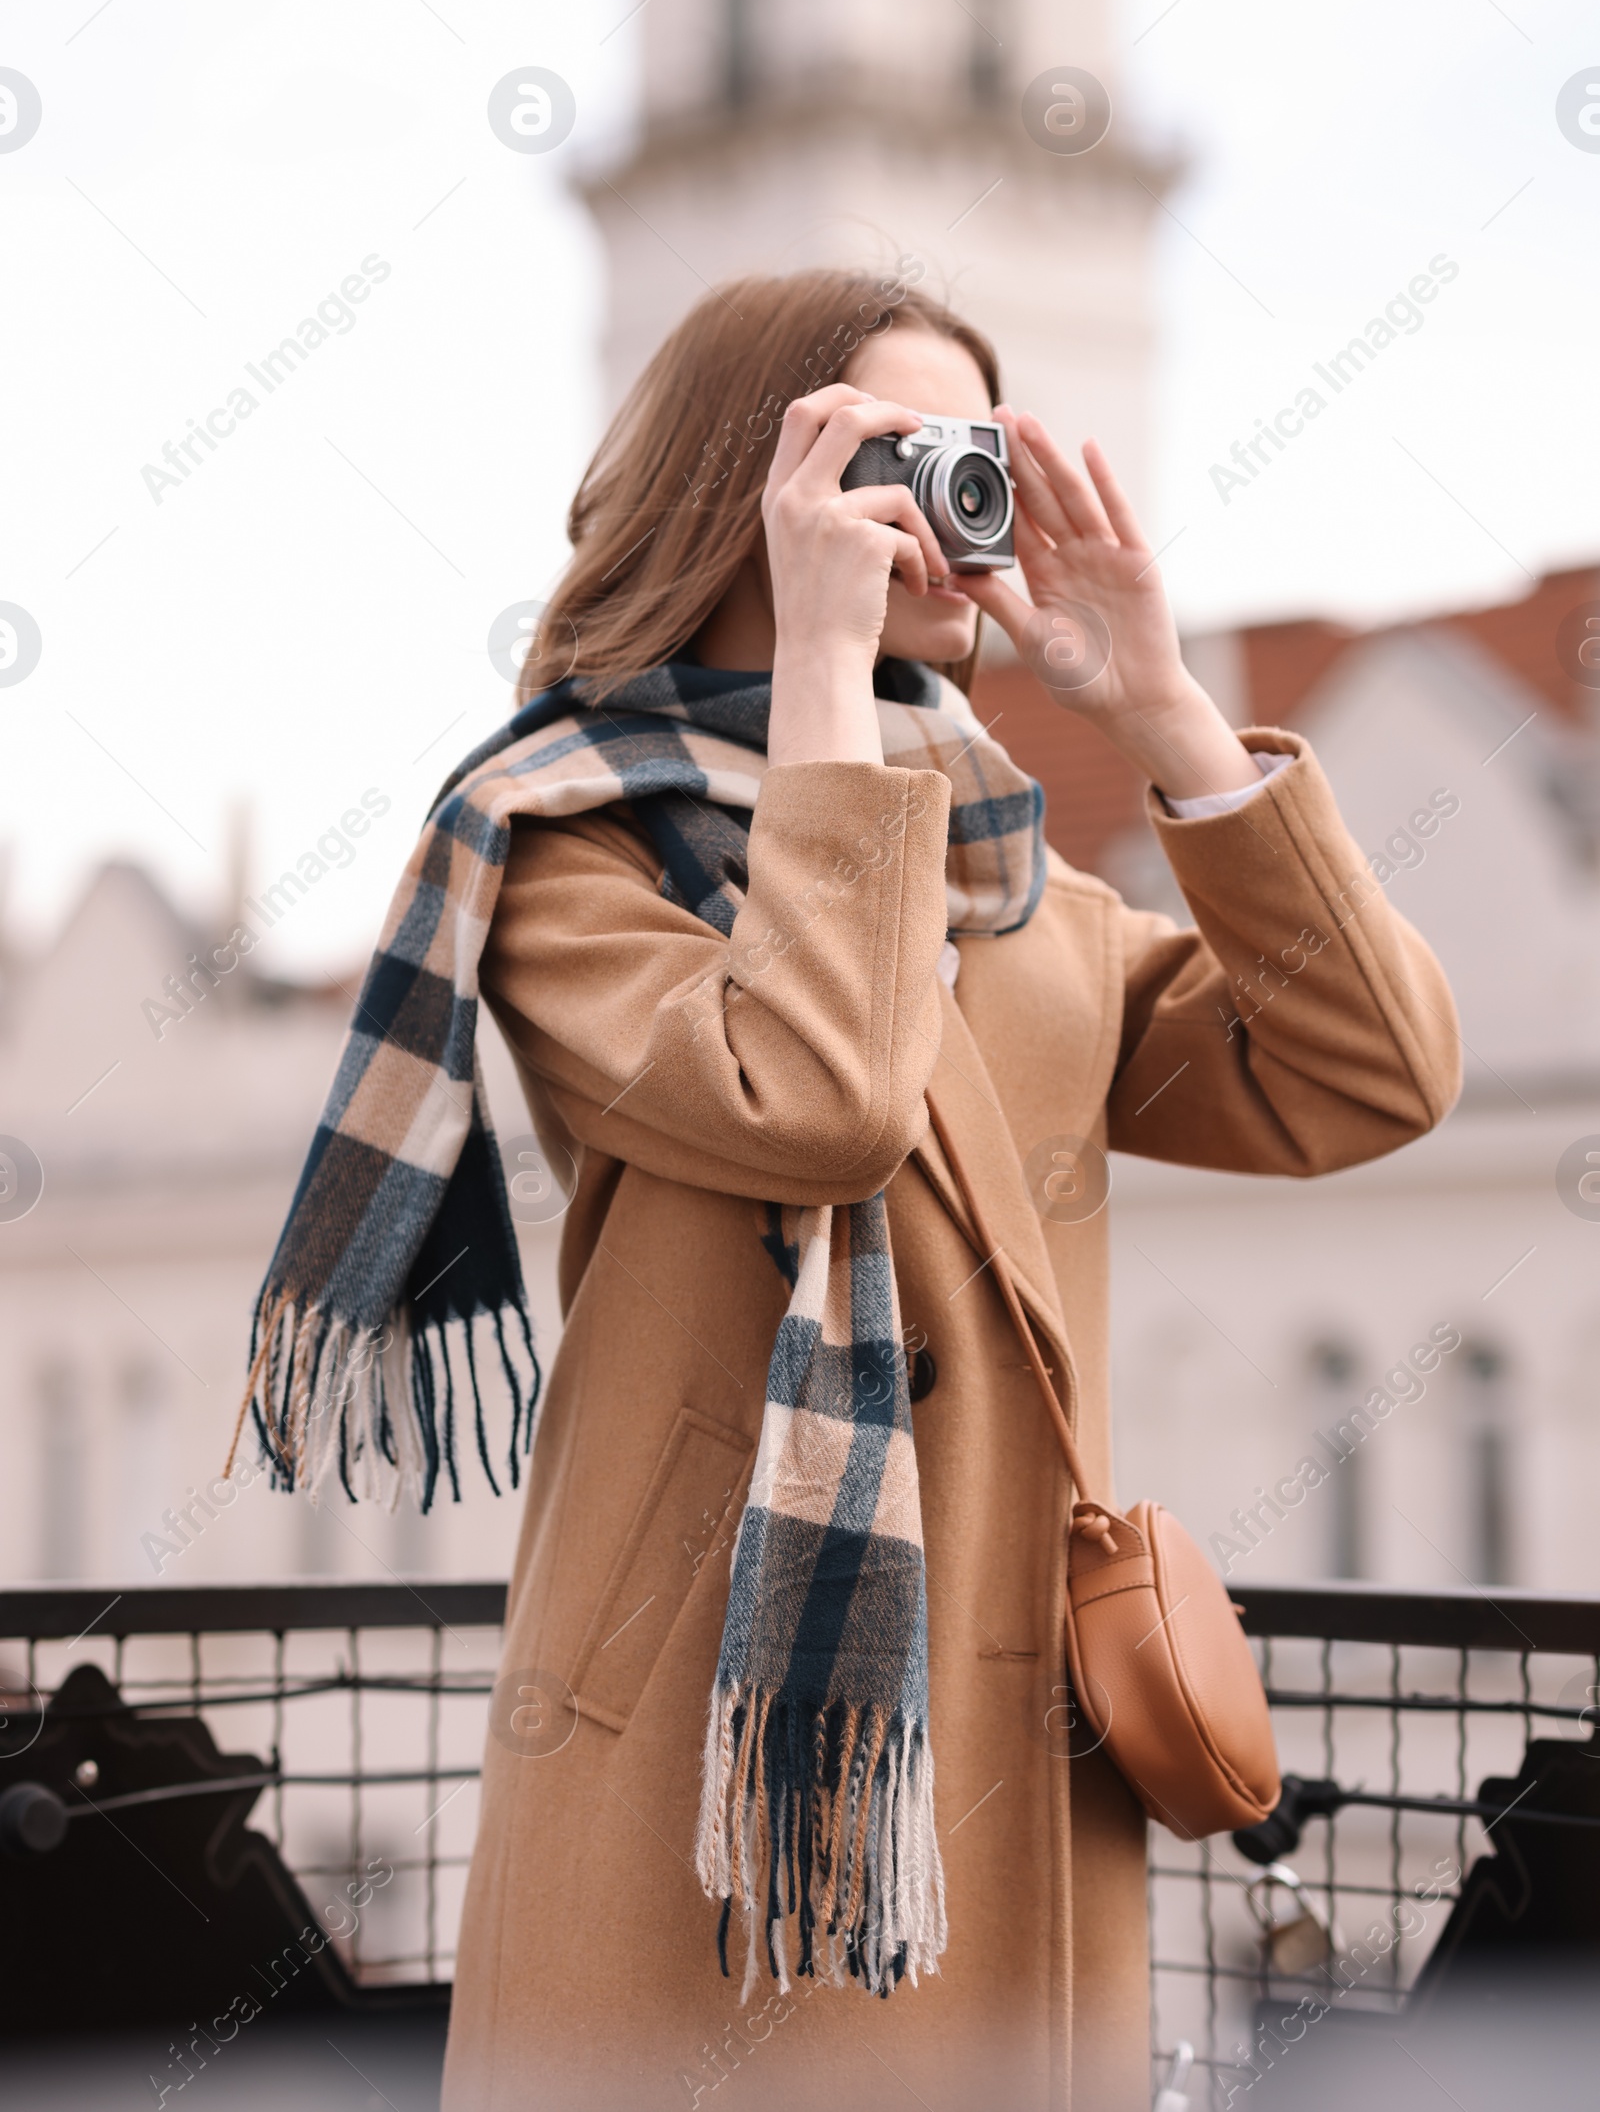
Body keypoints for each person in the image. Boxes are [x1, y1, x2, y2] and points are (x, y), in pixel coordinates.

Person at [275, 266, 1460, 2112]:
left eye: (972, 455)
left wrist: (1158, 704)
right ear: (746, 489)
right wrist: (827, 668)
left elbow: (1367, 1070)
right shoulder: (571, 858)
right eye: (893, 455)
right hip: (714, 1762)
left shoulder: (1016, 887)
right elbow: (818, 1095)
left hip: (1009, 1758)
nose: (943, 510)